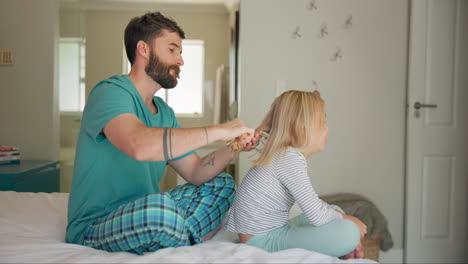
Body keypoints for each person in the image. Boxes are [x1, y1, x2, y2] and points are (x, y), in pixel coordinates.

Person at [66, 11, 259, 255]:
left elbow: (196, 172)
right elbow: (139, 144)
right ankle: (183, 234)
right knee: (159, 209)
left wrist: (234, 145)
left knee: (222, 184)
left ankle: (174, 233)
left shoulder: (165, 112)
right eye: (172, 49)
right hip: (95, 226)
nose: (180, 61)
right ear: (143, 49)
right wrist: (219, 130)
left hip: (144, 213)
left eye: (180, 52)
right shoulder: (110, 92)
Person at [224, 90, 367, 258]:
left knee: (335, 210)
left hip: (271, 231)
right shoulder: (289, 159)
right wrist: (349, 222)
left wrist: (342, 217)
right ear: (303, 128)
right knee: (348, 230)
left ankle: (348, 248)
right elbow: (317, 216)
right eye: (323, 122)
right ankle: (349, 246)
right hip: (263, 241)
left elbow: (315, 207)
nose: (327, 128)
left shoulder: (284, 155)